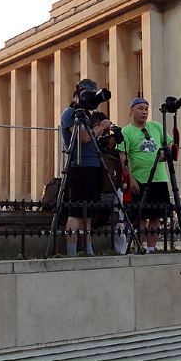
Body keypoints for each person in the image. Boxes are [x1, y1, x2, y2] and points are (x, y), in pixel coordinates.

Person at [60, 79, 112, 257]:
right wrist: (100, 127)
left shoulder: (87, 116)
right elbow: (83, 138)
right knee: (75, 212)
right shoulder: (71, 113)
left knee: (88, 213)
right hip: (79, 165)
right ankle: (71, 252)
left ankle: (88, 249)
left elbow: (92, 138)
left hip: (93, 165)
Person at [118, 97, 173, 254]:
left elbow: (169, 142)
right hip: (140, 179)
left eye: (146, 109)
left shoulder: (155, 126)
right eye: (140, 108)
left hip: (159, 178)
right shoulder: (126, 131)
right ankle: (139, 246)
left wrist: (165, 151)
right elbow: (123, 156)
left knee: (156, 216)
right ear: (132, 111)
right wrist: (130, 178)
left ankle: (151, 248)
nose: (144, 112)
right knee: (141, 216)